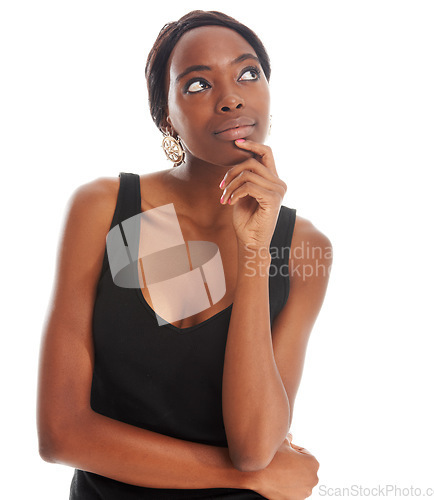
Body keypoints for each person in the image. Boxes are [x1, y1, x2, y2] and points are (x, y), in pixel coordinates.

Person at [37, 9, 332, 500]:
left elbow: (255, 444)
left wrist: (254, 248)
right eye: (197, 85)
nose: (231, 97)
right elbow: (61, 434)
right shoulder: (104, 210)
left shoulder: (304, 247)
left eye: (247, 73)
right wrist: (249, 478)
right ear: (165, 116)